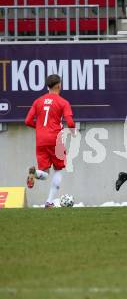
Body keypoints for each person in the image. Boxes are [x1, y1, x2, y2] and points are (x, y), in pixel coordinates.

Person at [25, 74, 75, 208]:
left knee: (45, 174)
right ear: (59, 85)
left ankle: (34, 173)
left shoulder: (38, 101)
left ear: (47, 86)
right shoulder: (63, 102)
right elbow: (70, 122)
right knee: (58, 170)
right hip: (55, 140)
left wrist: (40, 128)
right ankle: (49, 202)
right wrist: (73, 131)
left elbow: (27, 121)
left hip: (40, 140)